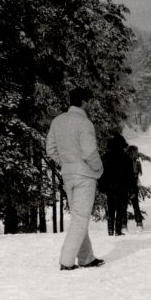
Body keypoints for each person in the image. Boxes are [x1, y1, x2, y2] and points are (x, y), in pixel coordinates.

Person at [46, 87, 105, 271]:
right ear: (85, 102)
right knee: (80, 218)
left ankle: (86, 258)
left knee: (79, 216)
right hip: (84, 175)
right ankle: (66, 261)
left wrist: (66, 163)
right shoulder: (84, 122)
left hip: (68, 174)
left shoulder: (58, 121)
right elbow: (89, 152)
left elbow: (51, 149)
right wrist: (98, 167)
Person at [99, 134, 135, 236]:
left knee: (110, 208)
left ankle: (110, 230)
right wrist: (132, 189)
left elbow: (100, 174)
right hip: (122, 187)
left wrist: (101, 187)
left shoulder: (104, 158)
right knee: (120, 209)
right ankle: (118, 230)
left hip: (109, 187)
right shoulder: (126, 158)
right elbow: (131, 175)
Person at [126, 145, 145, 231]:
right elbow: (139, 174)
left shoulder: (124, 161)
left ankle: (123, 226)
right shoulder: (137, 162)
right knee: (135, 205)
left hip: (125, 185)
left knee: (123, 205)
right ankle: (139, 224)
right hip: (134, 185)